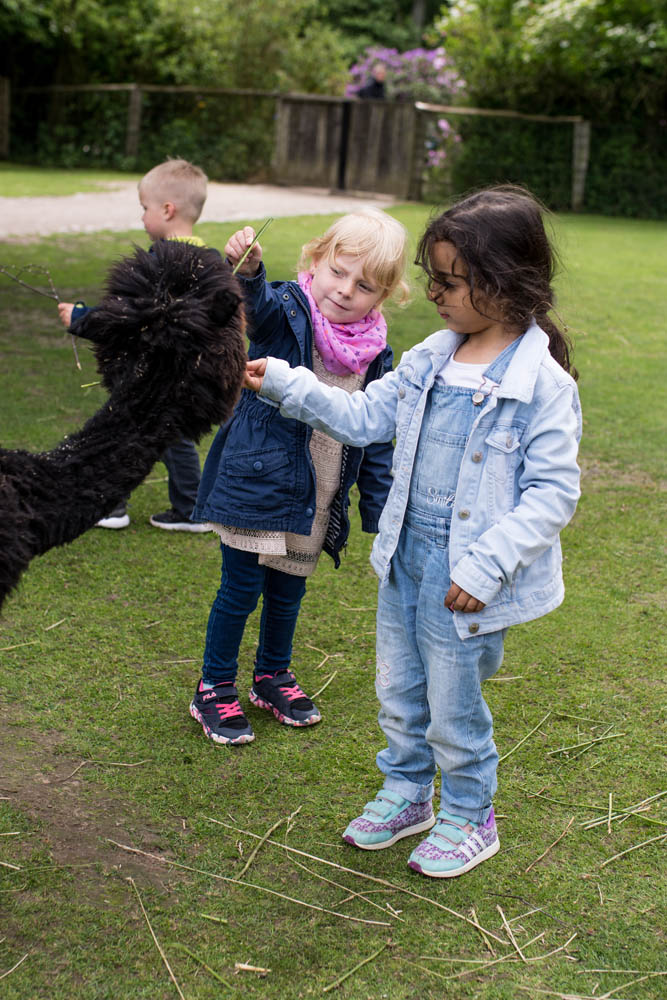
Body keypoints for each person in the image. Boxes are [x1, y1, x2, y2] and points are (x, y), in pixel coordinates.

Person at [244, 185, 582, 878]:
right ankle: (406, 794)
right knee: (398, 690)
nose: (433, 292)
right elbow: (367, 417)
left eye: (450, 281)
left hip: (469, 580)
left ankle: (468, 814)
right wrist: (282, 380)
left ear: (503, 281)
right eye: (434, 277)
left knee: (452, 706)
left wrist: (485, 567)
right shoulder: (433, 353)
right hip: (408, 557)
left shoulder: (541, 382)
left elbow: (552, 494)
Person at [189, 209, 409, 746]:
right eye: (338, 271)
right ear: (316, 260)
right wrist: (248, 271)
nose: (345, 290)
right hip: (256, 481)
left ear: (383, 298)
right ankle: (214, 686)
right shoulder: (288, 308)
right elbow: (254, 308)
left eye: (365, 285)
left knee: (287, 592)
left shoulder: (376, 355)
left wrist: (376, 509)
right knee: (240, 590)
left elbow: (378, 434)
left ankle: (272, 676)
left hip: (320, 492)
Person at [57, 158, 212, 533]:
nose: (142, 218)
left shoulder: (156, 261)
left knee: (122, 435)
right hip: (185, 375)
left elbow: (128, 315)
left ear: (167, 209)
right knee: (174, 440)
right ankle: (191, 509)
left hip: (147, 374)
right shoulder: (209, 261)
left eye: (144, 208)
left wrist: (81, 318)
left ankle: (111, 508)